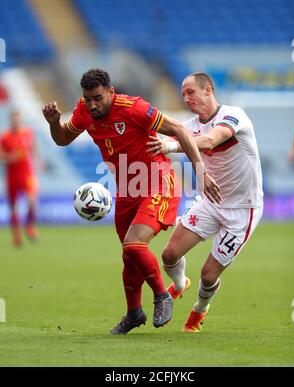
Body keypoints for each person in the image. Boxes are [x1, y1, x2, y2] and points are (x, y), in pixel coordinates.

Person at [42, 68, 221, 335]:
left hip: (158, 182)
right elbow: (63, 139)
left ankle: (163, 295)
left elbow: (180, 130)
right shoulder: (83, 110)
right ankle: (134, 313)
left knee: (134, 244)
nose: (92, 104)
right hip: (127, 188)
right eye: (88, 98)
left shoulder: (135, 108)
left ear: (110, 92)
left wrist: (201, 174)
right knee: (130, 256)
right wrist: (54, 123)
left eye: (98, 98)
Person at [147, 72, 264, 332]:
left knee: (209, 275)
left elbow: (211, 140)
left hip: (242, 210)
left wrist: (170, 146)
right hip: (210, 202)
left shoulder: (234, 116)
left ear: (208, 90)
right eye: (183, 95)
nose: (186, 99)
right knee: (169, 255)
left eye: (191, 92)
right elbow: (184, 144)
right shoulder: (189, 127)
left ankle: (199, 310)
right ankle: (179, 285)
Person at [0, 111, 41, 246]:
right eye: (14, 120)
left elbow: (34, 148)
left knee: (32, 202)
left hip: (27, 174)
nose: (16, 122)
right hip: (12, 175)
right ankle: (16, 235)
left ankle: (29, 225)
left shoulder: (28, 134)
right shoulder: (5, 137)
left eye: (18, 120)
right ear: (11, 120)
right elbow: (1, 155)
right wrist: (9, 157)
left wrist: (39, 161)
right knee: (13, 207)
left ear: (21, 120)